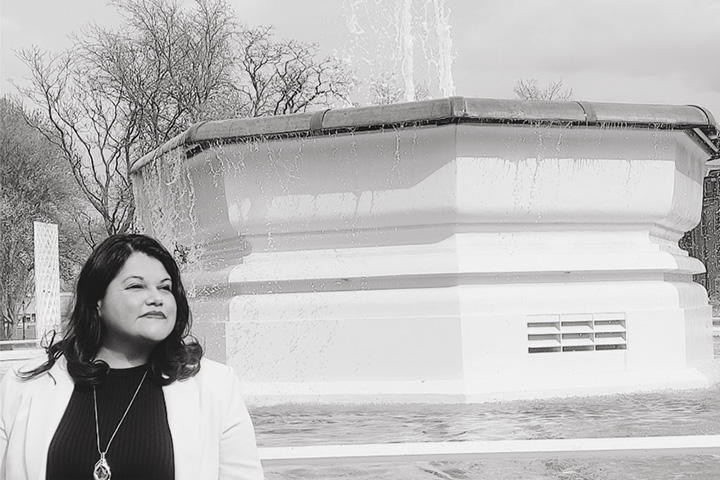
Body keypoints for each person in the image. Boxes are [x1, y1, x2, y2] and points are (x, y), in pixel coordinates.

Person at [0, 234, 264, 480]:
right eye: (136, 286)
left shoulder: (214, 387)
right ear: (97, 302)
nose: (156, 298)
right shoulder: (24, 386)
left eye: (165, 288)